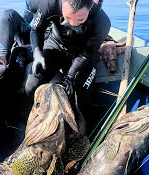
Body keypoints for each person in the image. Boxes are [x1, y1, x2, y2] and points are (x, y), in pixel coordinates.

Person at [25, 0, 111, 135]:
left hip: (81, 53)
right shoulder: (49, 4)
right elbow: (36, 30)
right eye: (68, 17)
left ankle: (86, 134)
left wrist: (70, 76)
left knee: (82, 95)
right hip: (56, 44)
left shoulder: (102, 22)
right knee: (31, 86)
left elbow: (87, 53)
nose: (73, 24)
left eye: (80, 19)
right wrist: (37, 53)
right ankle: (31, 124)